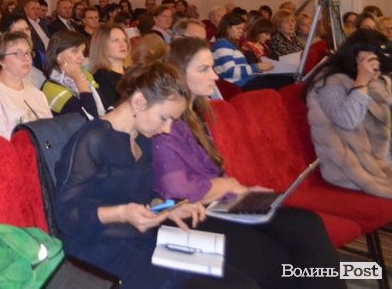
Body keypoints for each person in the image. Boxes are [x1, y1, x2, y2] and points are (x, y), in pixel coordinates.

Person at [54, 44, 259, 288]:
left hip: (142, 241)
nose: (167, 129)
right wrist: (123, 213)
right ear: (139, 102)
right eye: (165, 118)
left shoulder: (143, 139)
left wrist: (165, 209)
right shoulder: (93, 138)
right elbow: (66, 215)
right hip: (100, 252)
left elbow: (140, 197)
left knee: (240, 274)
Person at [150, 37, 344, 288]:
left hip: (214, 204)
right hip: (185, 217)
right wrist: (231, 186)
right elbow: (178, 192)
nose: (215, 76)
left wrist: (241, 191)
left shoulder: (196, 115)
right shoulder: (165, 122)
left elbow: (209, 176)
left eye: (212, 67)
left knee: (306, 224)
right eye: (204, 69)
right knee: (273, 258)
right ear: (178, 73)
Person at [305, 29, 392, 198]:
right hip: (353, 170)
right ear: (354, 54)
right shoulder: (329, 81)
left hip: (382, 160)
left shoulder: (378, 79)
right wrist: (362, 82)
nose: (376, 60)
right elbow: (345, 121)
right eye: (371, 55)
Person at [0, 32, 52, 139]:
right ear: (1, 60)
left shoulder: (37, 93)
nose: (26, 58)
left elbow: (52, 130)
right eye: (18, 53)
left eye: (28, 52)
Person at [41, 30, 107, 118]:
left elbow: (107, 106)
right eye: (75, 51)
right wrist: (78, 79)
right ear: (58, 56)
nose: (82, 57)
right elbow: (90, 116)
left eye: (82, 52)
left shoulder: (85, 74)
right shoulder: (50, 89)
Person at [211, 12, 272, 88]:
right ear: (227, 28)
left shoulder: (229, 44)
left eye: (242, 29)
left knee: (278, 80)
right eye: (238, 28)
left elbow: (241, 69)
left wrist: (257, 70)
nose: (241, 31)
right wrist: (256, 67)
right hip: (237, 85)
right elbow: (231, 71)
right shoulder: (222, 44)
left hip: (244, 81)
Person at [87, 23, 129, 108]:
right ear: (101, 45)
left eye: (124, 40)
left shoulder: (132, 70)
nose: (123, 44)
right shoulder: (100, 76)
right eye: (115, 40)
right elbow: (112, 109)